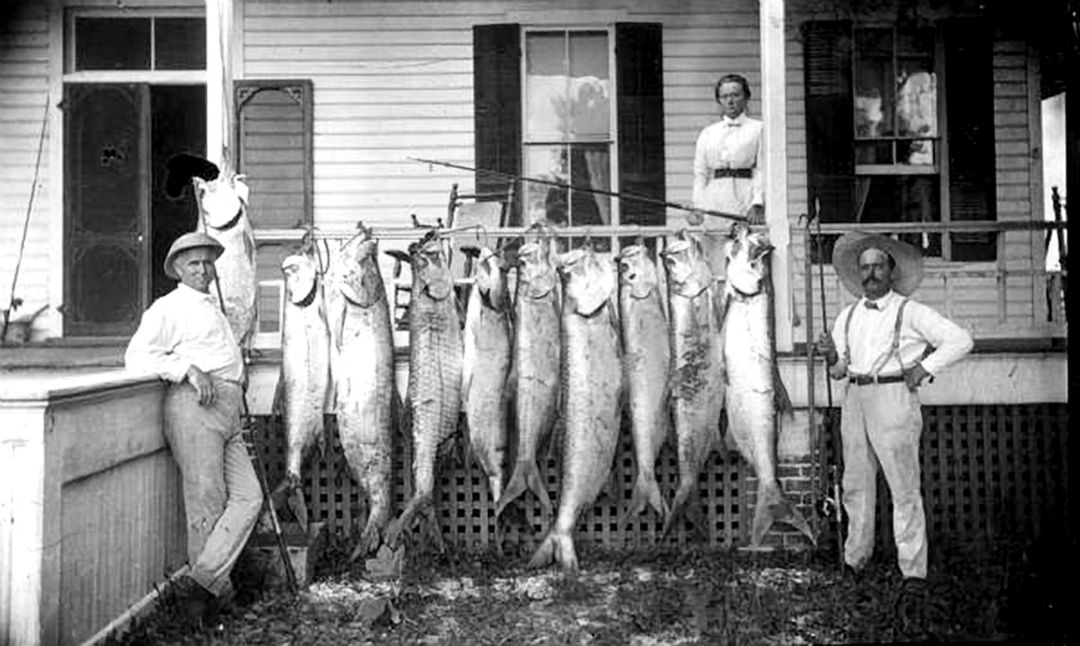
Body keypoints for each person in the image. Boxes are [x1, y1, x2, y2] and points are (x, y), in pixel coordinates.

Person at [815, 231, 973, 598]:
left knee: (903, 488)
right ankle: (855, 560)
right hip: (855, 398)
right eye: (865, 267)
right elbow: (839, 370)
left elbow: (961, 340)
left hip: (894, 399)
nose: (871, 273)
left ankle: (913, 573)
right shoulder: (847, 316)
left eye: (878, 266)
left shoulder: (911, 311)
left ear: (891, 271)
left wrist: (925, 368)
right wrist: (829, 355)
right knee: (856, 485)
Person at [125, 231, 263, 626]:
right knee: (207, 503)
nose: (202, 269)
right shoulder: (168, 308)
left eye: (207, 262)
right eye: (193, 264)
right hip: (195, 407)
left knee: (248, 497)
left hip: (229, 410)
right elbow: (137, 356)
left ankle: (201, 585)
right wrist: (186, 369)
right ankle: (206, 609)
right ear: (177, 270)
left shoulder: (212, 307)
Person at [690, 73, 766, 276]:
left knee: (745, 265)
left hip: (745, 196)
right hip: (715, 200)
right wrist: (698, 207)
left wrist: (758, 203)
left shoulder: (758, 129)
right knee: (716, 266)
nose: (730, 101)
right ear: (719, 100)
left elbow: (762, 168)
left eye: (736, 95)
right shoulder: (708, 133)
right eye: (724, 96)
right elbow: (700, 174)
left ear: (746, 97)